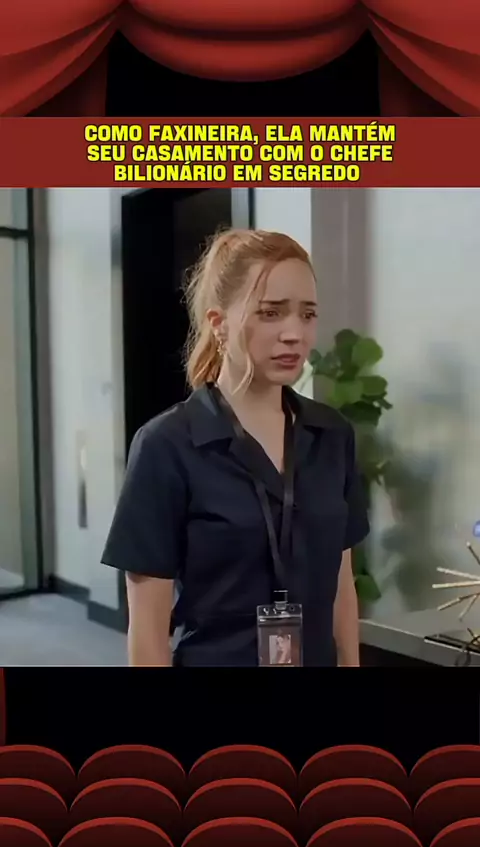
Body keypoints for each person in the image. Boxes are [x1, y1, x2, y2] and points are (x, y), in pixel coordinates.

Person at [101, 228, 370, 667]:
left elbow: (341, 583)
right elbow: (147, 632)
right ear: (218, 323)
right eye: (271, 313)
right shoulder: (167, 445)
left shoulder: (331, 435)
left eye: (307, 314)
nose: (294, 333)